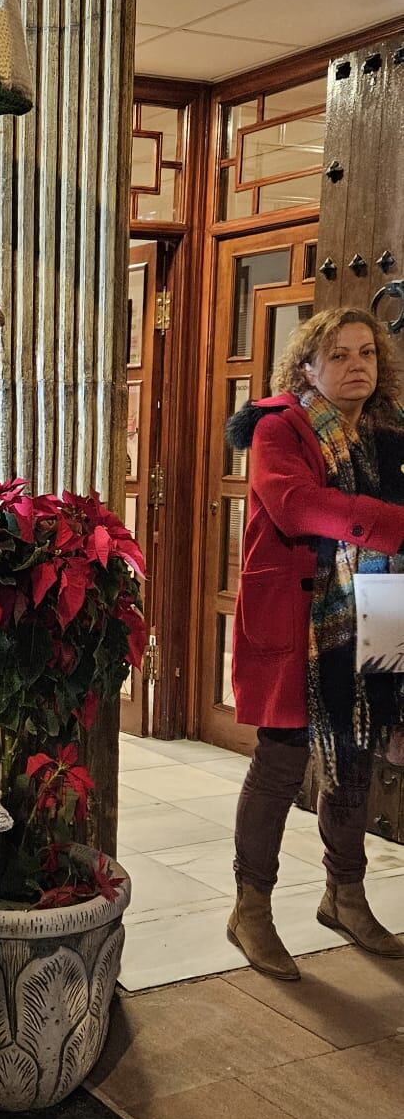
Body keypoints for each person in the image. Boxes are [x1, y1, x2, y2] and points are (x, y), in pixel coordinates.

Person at [226, 307, 404, 981]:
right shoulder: (280, 427)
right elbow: (295, 504)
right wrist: (396, 526)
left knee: (356, 755)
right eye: (338, 354)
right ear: (306, 366)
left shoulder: (388, 436)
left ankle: (345, 895)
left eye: (367, 353)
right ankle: (251, 909)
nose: (357, 364)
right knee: (281, 760)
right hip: (296, 623)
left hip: (376, 615)